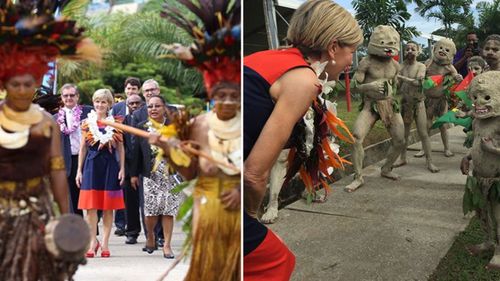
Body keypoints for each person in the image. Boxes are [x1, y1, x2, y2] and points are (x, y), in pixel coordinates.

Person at [243, 0, 362, 279]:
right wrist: (251, 217)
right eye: (351, 52)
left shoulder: (265, 58)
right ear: (333, 48)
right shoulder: (302, 80)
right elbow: (253, 174)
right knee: (276, 261)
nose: (350, 62)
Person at [0, 1, 99, 279]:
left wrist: (65, 217)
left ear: (36, 85)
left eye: (27, 84)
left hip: (35, 211)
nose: (21, 90)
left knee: (33, 270)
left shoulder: (46, 122)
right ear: (4, 84)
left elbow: (57, 170)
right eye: (15, 84)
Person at [131, 96, 184, 258]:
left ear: (164, 108)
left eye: (157, 106)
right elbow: (136, 153)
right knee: (151, 212)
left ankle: (167, 245)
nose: (153, 109)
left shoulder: (174, 127)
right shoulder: (141, 127)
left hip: (170, 173)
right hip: (150, 174)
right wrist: (133, 174)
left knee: (168, 211)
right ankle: (151, 236)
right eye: (150, 106)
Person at [76, 89, 126, 258]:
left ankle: (105, 243)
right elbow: (82, 147)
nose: (99, 105)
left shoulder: (116, 122)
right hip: (91, 164)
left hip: (110, 165)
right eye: (97, 101)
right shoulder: (86, 123)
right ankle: (92, 242)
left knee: (108, 207)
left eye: (103, 102)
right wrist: (78, 171)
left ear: (109, 104)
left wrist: (122, 169)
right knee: (90, 208)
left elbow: (121, 148)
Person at [55, 84, 93, 217]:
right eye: (65, 95)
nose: (69, 98)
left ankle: (93, 232)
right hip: (68, 160)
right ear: (61, 97)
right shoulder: (55, 118)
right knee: (72, 198)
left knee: (90, 197)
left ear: (77, 96)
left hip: (88, 158)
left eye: (72, 95)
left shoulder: (89, 112)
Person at [111, 77, 141, 236]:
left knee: (137, 198)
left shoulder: (145, 110)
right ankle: (121, 225)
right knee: (122, 192)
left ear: (138, 91)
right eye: (128, 89)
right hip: (122, 158)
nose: (131, 92)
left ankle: (145, 231)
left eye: (134, 89)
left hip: (141, 161)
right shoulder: (117, 108)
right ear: (125, 90)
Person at [122, 94, 144, 244]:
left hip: (146, 167)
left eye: (137, 103)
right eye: (131, 103)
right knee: (130, 202)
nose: (134, 106)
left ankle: (154, 234)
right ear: (127, 105)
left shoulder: (147, 120)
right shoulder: (124, 121)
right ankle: (132, 232)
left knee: (149, 204)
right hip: (129, 167)